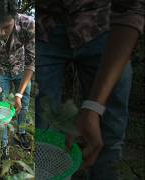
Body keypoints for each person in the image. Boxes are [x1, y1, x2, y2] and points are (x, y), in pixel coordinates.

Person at [36, 0, 144, 179]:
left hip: (104, 25)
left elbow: (131, 9)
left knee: (109, 130)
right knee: (42, 130)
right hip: (43, 29)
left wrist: (94, 106)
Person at [0, 0, 35, 159]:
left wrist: (18, 94)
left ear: (15, 18)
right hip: (1, 71)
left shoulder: (28, 24)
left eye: (6, 27)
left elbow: (31, 62)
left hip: (21, 68)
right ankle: (3, 146)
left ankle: (20, 133)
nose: (1, 33)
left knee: (23, 103)